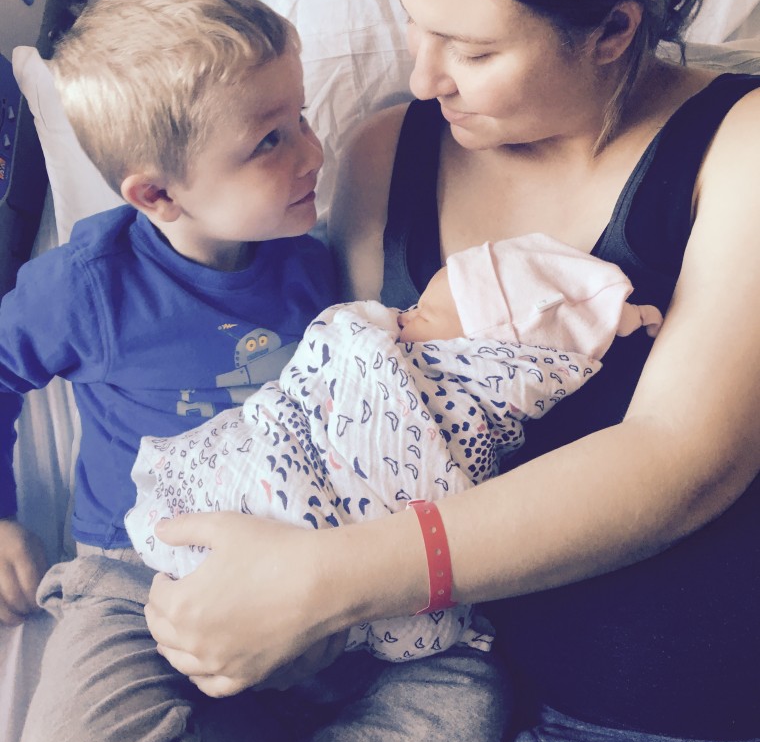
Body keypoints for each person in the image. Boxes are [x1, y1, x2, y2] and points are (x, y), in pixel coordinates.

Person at [140, 0, 760, 742]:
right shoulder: (385, 154)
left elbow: (678, 460)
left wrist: (324, 581)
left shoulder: (739, 145)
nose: (427, 74)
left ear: (612, 28)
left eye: (473, 49)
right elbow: (347, 410)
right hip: (436, 707)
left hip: (686, 734)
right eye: (417, 29)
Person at [11, 0, 509, 742]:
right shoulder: (87, 287)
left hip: (317, 565)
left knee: (470, 696)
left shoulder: (316, 265)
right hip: (144, 577)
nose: (313, 152)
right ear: (157, 194)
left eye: (304, 118)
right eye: (269, 141)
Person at [127, 233, 661, 661]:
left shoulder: (460, 402)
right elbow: (312, 384)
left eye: (423, 317)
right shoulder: (370, 326)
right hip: (265, 468)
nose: (399, 317)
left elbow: (433, 483)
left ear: (481, 356)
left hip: (313, 591)